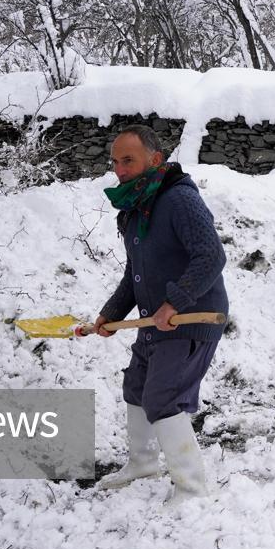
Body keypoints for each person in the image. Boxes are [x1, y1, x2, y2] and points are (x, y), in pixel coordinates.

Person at [87, 125, 228, 502]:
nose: (119, 169)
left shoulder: (179, 199)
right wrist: (111, 313)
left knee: (163, 396)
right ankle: (144, 463)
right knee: (136, 388)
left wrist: (176, 301)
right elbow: (137, 274)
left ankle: (192, 485)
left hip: (191, 318)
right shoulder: (136, 210)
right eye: (115, 162)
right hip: (156, 319)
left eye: (128, 160)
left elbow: (212, 256)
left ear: (155, 159)